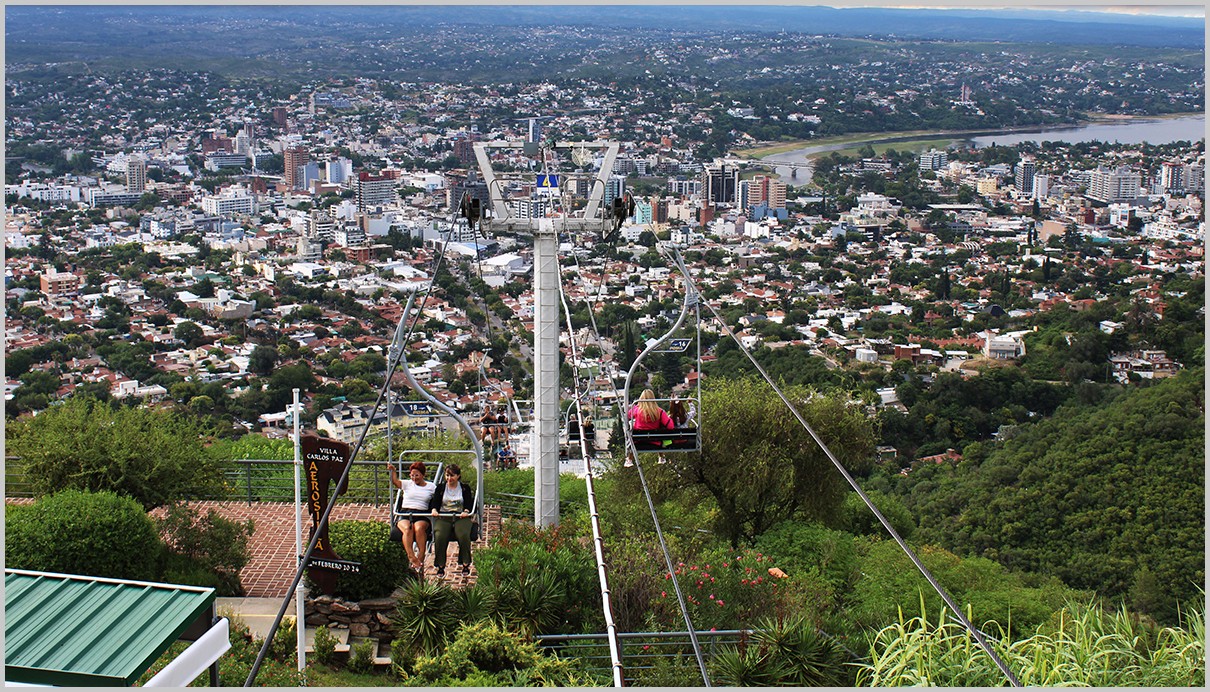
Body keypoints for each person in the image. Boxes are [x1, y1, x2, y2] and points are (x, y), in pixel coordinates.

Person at [428, 463, 475, 577]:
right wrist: (434, 509)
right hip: (444, 516)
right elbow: (435, 501)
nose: (449, 479)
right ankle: (440, 565)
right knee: (439, 535)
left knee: (463, 534)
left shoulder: (464, 488)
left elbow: (469, 502)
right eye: (447, 476)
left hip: (460, 516)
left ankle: (465, 563)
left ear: (458, 476)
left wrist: (466, 511)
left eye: (452, 476)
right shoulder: (441, 488)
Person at [388, 460, 436, 572]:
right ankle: (411, 556)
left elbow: (439, 496)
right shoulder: (407, 484)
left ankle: (421, 555)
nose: (414, 478)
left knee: (419, 529)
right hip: (405, 512)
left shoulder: (431, 486)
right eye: (412, 475)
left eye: (417, 475)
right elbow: (395, 481)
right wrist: (393, 471)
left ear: (423, 475)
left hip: (421, 513)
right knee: (408, 528)